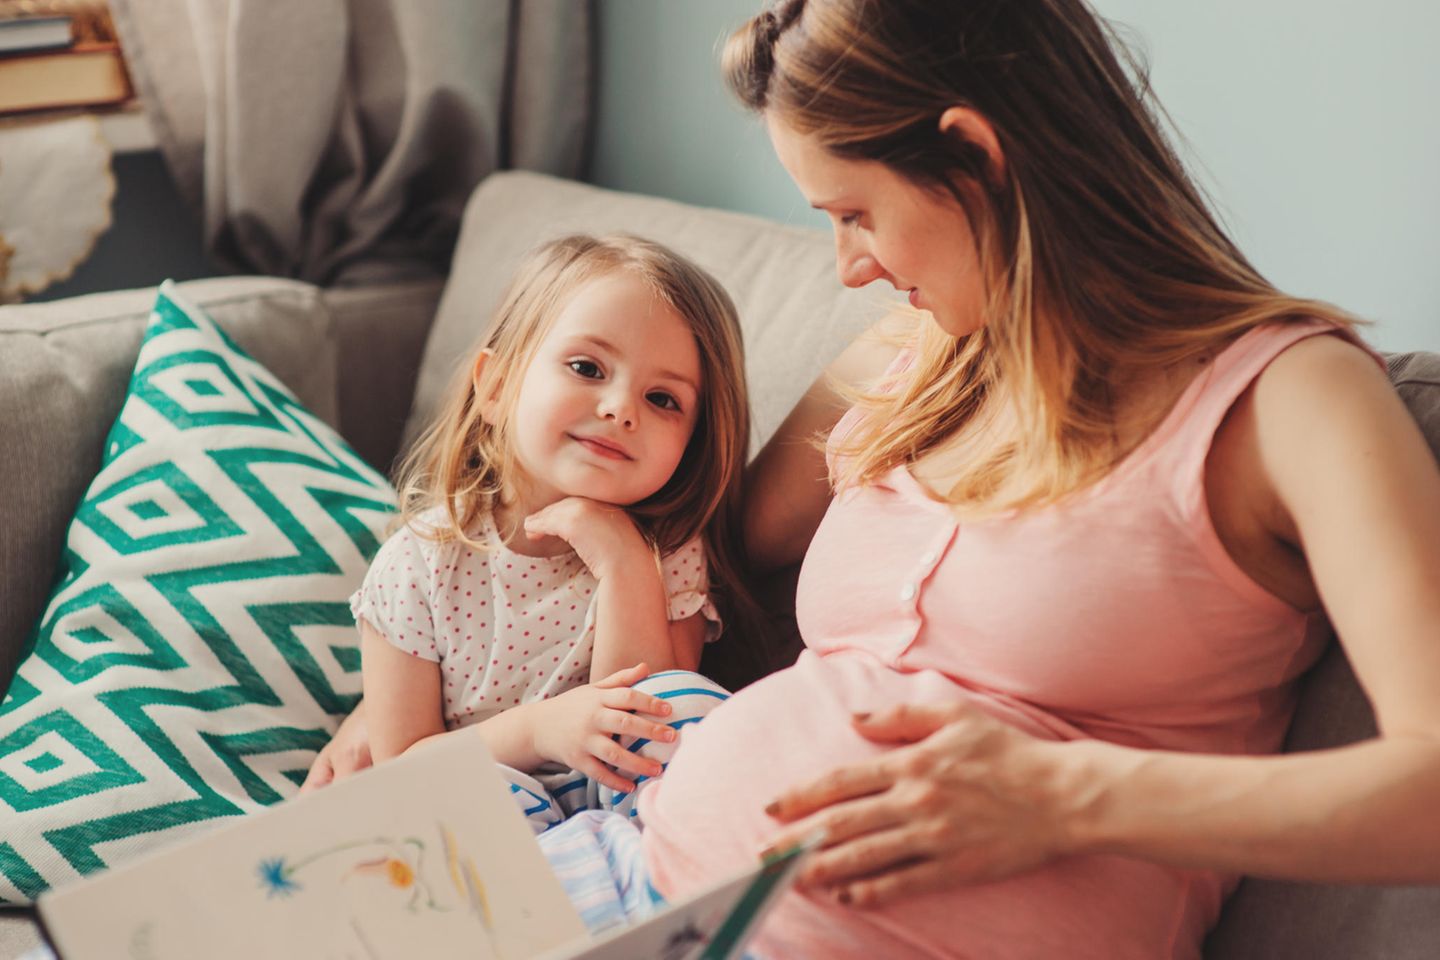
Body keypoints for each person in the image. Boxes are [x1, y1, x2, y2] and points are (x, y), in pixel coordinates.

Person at [309, 2, 1440, 957]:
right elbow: (678, 526)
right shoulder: (908, 357)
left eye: (854, 214)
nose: (847, 266)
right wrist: (405, 701)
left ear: (976, 158)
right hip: (632, 878)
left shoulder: (1292, 401)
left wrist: (1066, 797)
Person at [350, 233, 748, 830]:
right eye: (587, 368)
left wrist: (623, 565)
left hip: (626, 806)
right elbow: (403, 766)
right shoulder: (417, 565)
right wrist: (540, 730)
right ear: (497, 386)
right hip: (491, 811)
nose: (620, 408)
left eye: (663, 398)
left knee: (691, 706)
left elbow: (649, 724)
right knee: (469, 801)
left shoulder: (668, 552)